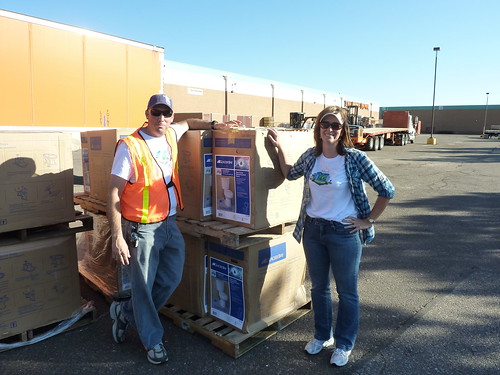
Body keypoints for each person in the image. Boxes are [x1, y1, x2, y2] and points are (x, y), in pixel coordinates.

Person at [107, 93, 238, 365]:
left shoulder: (169, 134)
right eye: (156, 113)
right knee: (143, 288)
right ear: (147, 113)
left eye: (167, 114)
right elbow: (114, 193)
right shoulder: (130, 146)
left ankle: (125, 312)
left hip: (169, 224)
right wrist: (118, 236)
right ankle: (153, 341)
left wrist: (217, 125)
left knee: (170, 279)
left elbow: (189, 123)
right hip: (142, 229)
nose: (161, 119)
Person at [267, 106, 395, 367]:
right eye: (326, 124)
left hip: (344, 233)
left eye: (336, 125)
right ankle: (322, 335)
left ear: (343, 129)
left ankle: (344, 343)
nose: (330, 129)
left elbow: (386, 189)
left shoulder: (355, 158)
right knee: (319, 288)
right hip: (313, 230)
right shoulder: (312, 157)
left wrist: (368, 220)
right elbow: (290, 173)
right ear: (319, 128)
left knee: (347, 292)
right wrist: (279, 146)